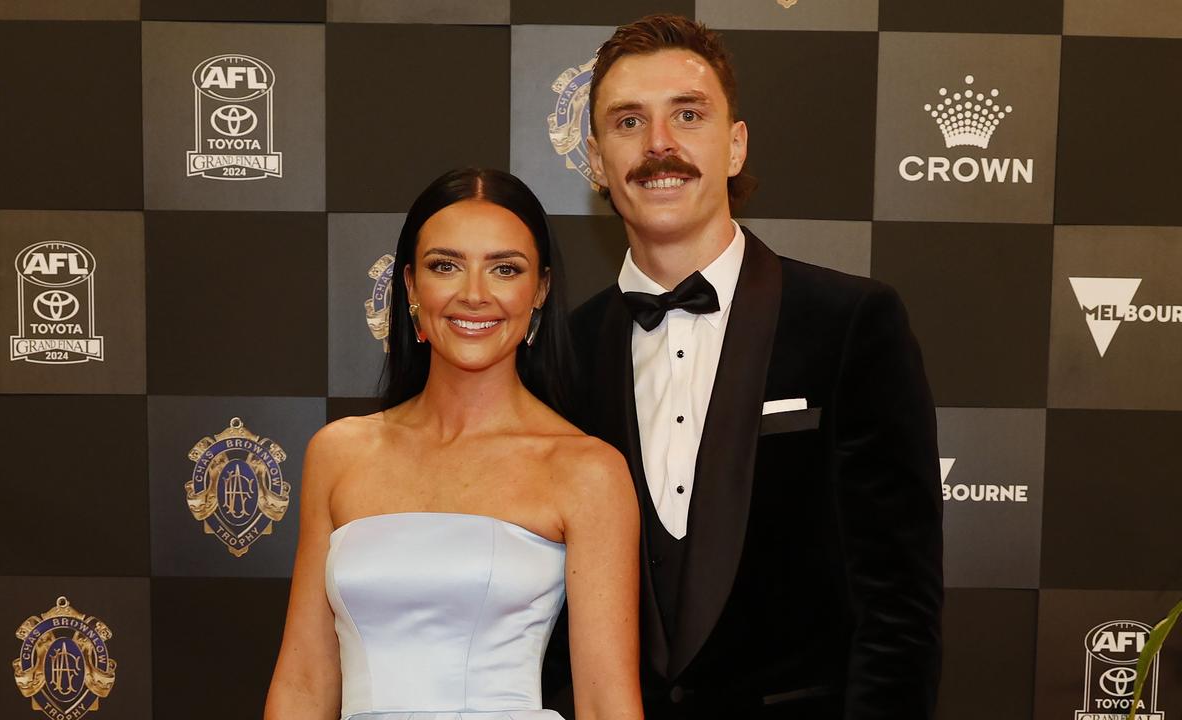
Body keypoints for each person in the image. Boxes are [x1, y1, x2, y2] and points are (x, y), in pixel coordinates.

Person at [557, 14, 943, 719]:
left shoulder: (852, 322)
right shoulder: (564, 352)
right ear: (597, 159)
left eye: (689, 115)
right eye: (628, 122)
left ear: (734, 146)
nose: (660, 145)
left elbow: (899, 607)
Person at [264, 168, 644, 720]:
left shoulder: (586, 469)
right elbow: (302, 682)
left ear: (539, 289)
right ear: (412, 286)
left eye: (504, 269)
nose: (473, 295)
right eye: (446, 266)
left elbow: (607, 701)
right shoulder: (338, 453)